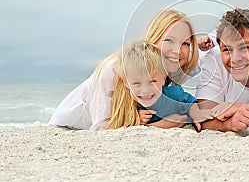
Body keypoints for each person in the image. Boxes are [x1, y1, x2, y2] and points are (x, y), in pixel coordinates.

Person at [49, 9, 200, 131]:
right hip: (69, 122)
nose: (177, 50)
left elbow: (204, 63)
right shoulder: (115, 68)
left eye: (185, 43)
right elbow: (101, 127)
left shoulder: (170, 71)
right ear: (154, 38)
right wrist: (147, 123)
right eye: (169, 40)